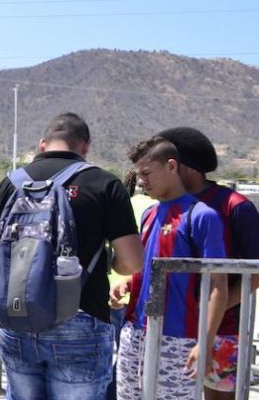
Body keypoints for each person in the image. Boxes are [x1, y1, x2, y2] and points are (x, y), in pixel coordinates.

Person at [0, 112, 144, 400]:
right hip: (80, 317)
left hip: (17, 317)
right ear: (85, 146)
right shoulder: (104, 184)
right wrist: (105, 262)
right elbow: (132, 261)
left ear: (43, 144)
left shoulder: (10, 184)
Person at [113, 136, 228, 400]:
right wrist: (129, 284)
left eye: (146, 172)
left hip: (177, 339)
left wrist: (205, 342)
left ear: (172, 166)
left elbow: (217, 286)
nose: (141, 180)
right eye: (138, 173)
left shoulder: (202, 216)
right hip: (134, 333)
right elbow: (151, 265)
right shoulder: (149, 214)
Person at [156, 127, 259, 399]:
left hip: (222, 330)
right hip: (173, 327)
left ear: (186, 167)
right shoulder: (169, 205)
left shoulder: (234, 205)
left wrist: (216, 307)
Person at [105, 170, 157, 400]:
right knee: (131, 364)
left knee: (113, 361)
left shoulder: (123, 204)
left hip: (111, 289)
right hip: (135, 294)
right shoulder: (156, 209)